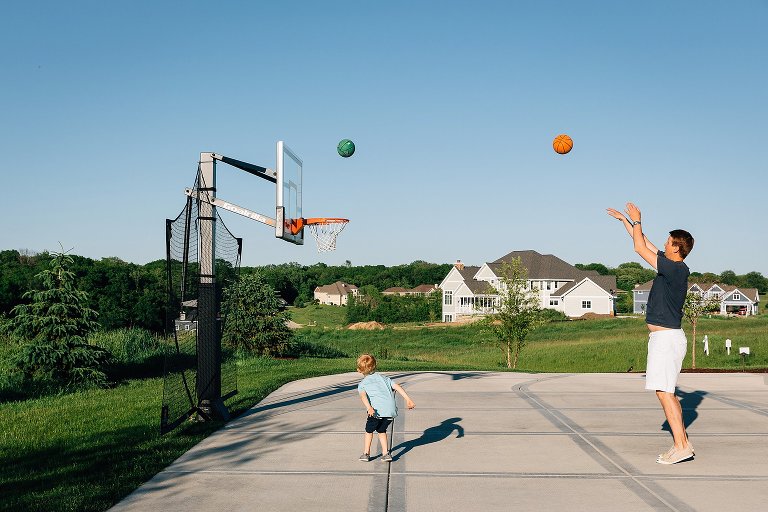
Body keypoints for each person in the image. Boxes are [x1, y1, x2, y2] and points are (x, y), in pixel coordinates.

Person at [607, 203, 695, 464]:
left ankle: (681, 447)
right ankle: (683, 443)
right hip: (664, 338)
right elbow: (642, 241)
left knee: (665, 393)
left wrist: (637, 220)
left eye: (668, 241)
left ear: (676, 247)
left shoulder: (675, 269)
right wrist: (626, 221)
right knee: (666, 392)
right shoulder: (671, 265)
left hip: (666, 339)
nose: (664, 244)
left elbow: (638, 248)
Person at [356, 353, 415, 462]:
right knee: (381, 430)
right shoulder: (385, 378)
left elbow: (363, 396)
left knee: (369, 431)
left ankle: (366, 453)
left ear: (359, 370)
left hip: (376, 412)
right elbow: (397, 387)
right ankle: (386, 454)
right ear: (375, 366)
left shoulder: (362, 384)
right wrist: (408, 399)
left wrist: (369, 407)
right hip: (390, 411)